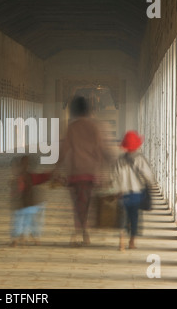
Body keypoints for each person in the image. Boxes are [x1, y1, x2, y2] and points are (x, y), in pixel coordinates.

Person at [54, 96, 112, 247]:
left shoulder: (72, 127)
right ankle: (84, 231)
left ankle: (79, 229)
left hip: (75, 172)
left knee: (77, 203)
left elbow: (64, 149)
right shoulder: (94, 127)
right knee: (86, 202)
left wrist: (56, 167)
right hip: (90, 172)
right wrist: (106, 170)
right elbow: (101, 150)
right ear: (87, 110)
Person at [112, 130, 155, 251]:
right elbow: (148, 175)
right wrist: (150, 183)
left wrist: (117, 190)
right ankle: (131, 242)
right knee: (134, 217)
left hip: (123, 193)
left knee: (122, 217)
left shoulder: (120, 160)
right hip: (137, 194)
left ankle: (121, 241)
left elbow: (115, 176)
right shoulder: (139, 159)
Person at [9, 155, 52, 247]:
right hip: (29, 205)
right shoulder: (31, 176)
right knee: (28, 222)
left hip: (22, 206)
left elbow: (14, 193)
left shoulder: (18, 178)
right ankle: (28, 239)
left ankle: (18, 239)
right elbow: (43, 178)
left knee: (19, 222)